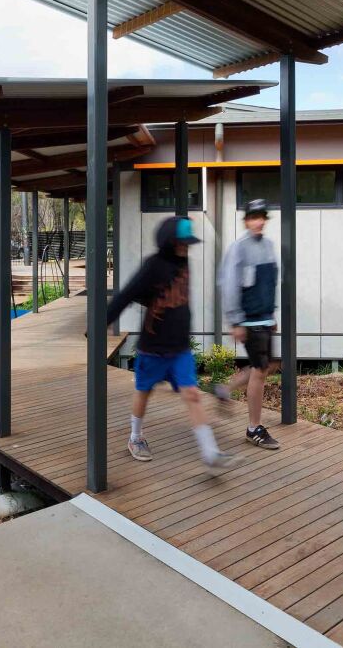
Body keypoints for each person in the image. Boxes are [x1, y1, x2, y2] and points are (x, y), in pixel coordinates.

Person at [106, 216, 238, 471]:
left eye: (188, 243)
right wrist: (104, 320)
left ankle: (211, 453)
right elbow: (127, 294)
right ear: (169, 241)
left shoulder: (184, 262)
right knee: (144, 392)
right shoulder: (153, 265)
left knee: (192, 394)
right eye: (181, 242)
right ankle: (135, 437)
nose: (185, 247)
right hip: (153, 349)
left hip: (180, 349)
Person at [216, 198, 281, 450]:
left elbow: (270, 283)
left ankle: (226, 389)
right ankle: (254, 428)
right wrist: (235, 320)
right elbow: (229, 284)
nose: (259, 221)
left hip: (265, 317)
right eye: (254, 217)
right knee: (260, 369)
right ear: (246, 221)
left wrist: (272, 315)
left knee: (268, 365)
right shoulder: (239, 248)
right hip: (249, 319)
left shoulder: (269, 246)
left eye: (262, 217)